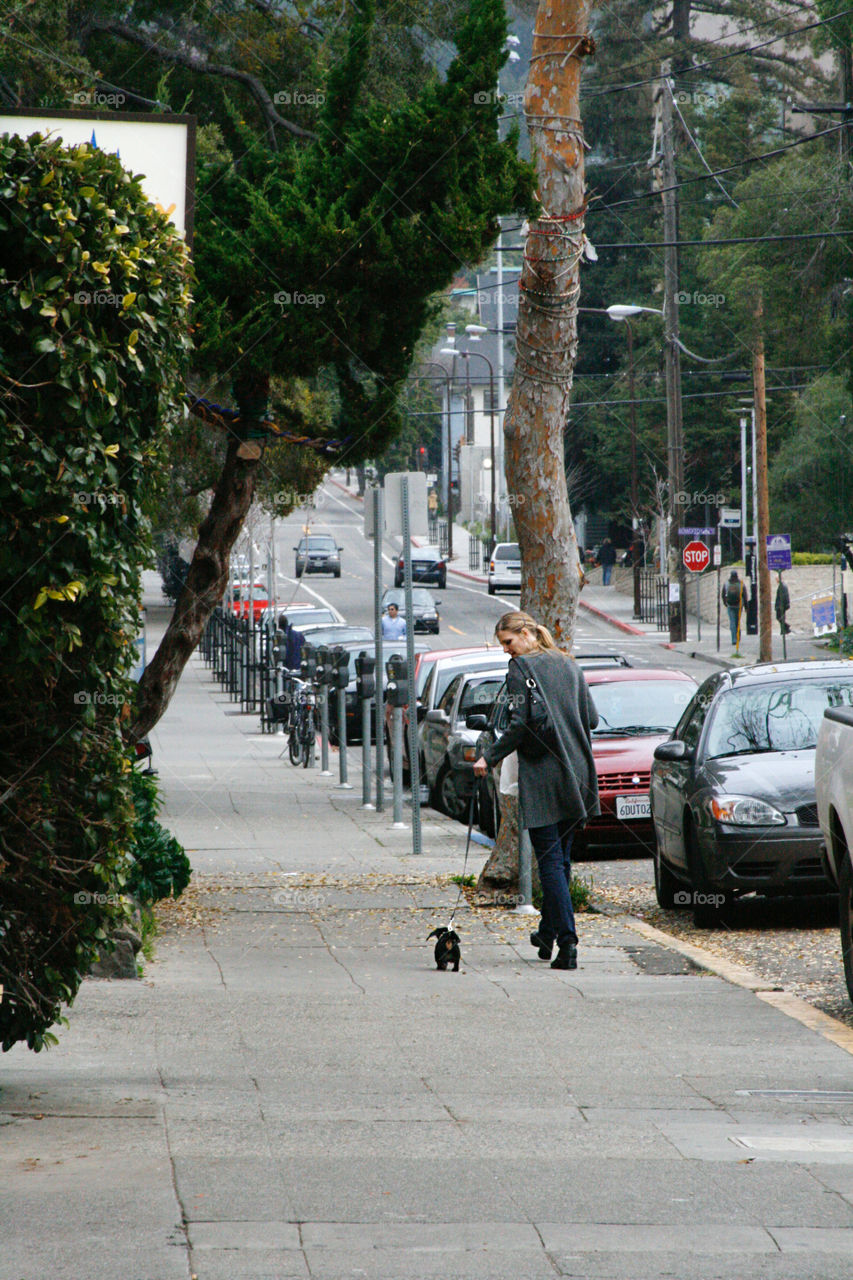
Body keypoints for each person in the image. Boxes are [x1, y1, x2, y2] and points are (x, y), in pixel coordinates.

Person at [473, 611, 600, 971]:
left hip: (544, 776)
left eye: (508, 642)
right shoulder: (569, 664)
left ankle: (568, 942)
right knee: (559, 860)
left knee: (549, 863)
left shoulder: (521, 670)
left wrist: (489, 757)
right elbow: (590, 718)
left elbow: (518, 724)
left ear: (526, 633)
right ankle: (547, 933)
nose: (506, 651)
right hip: (578, 771)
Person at [722, 570, 744, 648]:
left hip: (730, 605)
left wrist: (725, 603)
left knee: (732, 622)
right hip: (739, 605)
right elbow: (744, 595)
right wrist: (746, 606)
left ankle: (734, 639)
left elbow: (723, 595)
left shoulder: (726, 584)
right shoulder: (741, 583)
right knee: (737, 621)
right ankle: (738, 635)